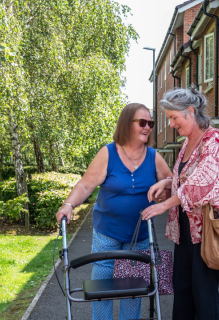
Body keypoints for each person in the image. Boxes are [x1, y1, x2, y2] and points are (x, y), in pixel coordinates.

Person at [55, 103, 173, 320]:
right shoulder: (108, 153)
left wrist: (164, 188)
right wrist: (68, 205)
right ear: (127, 124)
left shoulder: (153, 156)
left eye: (151, 123)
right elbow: (85, 186)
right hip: (107, 232)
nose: (148, 127)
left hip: (139, 234)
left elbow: (171, 182)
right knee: (102, 289)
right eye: (142, 122)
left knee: (133, 291)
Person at [142, 86, 219, 320]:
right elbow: (185, 178)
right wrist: (166, 183)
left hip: (206, 230)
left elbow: (201, 185)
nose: (172, 124)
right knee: (182, 290)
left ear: (190, 111)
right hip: (185, 230)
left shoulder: (212, 138)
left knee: (204, 295)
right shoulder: (187, 142)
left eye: (174, 118)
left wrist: (164, 205)